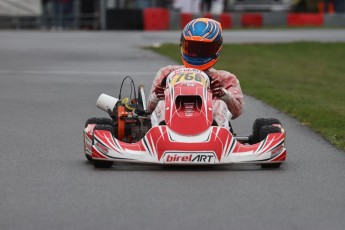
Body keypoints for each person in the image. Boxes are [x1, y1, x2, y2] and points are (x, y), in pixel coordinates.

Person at [147, 18, 244, 129]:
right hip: (170, 127)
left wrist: (222, 94)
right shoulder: (167, 73)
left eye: (203, 49)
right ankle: (162, 128)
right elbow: (149, 109)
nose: (196, 54)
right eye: (191, 48)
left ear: (217, 48)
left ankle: (216, 129)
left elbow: (237, 111)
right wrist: (157, 96)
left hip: (210, 130)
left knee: (219, 103)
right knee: (162, 103)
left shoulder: (225, 79)